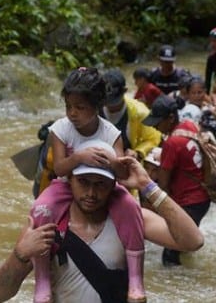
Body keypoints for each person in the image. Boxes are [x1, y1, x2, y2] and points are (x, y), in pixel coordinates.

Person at [0, 141, 205, 303]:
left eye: (101, 184)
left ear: (114, 184)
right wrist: (19, 255)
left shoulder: (130, 219)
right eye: (83, 182)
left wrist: (147, 185)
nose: (91, 193)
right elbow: (0, 294)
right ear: (70, 180)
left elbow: (193, 240)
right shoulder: (46, 222)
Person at [28, 67, 145, 303]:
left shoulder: (111, 132)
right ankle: (42, 280)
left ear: (97, 105)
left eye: (80, 107)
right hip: (66, 183)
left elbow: (121, 172)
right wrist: (80, 157)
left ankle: (136, 278)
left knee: (132, 208)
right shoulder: (60, 129)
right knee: (40, 208)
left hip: (105, 184)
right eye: (68, 106)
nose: (72, 113)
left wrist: (112, 160)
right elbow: (59, 167)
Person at [142, 95, 211, 266]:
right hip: (203, 199)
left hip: (189, 201)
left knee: (170, 254)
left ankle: (184, 286)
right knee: (185, 242)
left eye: (159, 122)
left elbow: (163, 185)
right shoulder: (189, 126)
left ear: (171, 118)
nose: (157, 127)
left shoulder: (172, 143)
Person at [102, 68, 162, 161]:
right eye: (106, 102)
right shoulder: (93, 108)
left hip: (128, 159)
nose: (111, 107)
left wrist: (138, 152)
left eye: (114, 102)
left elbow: (154, 138)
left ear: (125, 91)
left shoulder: (140, 112)